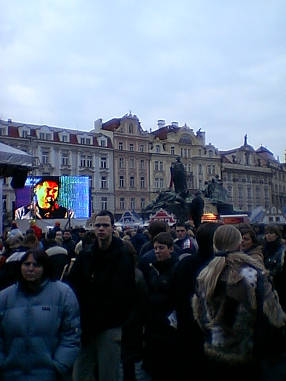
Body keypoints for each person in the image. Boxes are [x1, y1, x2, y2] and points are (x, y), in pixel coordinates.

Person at [192, 224, 286, 381]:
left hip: (215, 350)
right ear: (238, 244)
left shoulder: (205, 274)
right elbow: (273, 316)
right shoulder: (253, 272)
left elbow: (199, 314)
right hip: (247, 352)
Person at [67, 210, 135, 381]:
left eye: (105, 225)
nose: (101, 229)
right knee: (81, 373)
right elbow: (73, 286)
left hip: (110, 326)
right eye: (98, 225)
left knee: (108, 374)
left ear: (113, 228)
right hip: (86, 326)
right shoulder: (86, 255)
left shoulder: (123, 256)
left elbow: (127, 292)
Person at [0, 248, 81, 380]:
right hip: (11, 373)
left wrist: (59, 365)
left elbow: (71, 335)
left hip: (49, 374)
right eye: (26, 264)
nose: (30, 269)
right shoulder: (5, 297)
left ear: (45, 267)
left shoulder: (63, 294)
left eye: (36, 265)